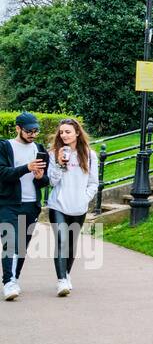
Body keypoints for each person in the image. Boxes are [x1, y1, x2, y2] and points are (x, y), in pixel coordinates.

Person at [45, 118, 98, 296]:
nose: (64, 135)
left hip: (79, 207)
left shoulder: (90, 155)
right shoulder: (54, 153)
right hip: (58, 205)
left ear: (77, 133)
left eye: (67, 131)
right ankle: (61, 281)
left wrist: (84, 199)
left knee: (71, 243)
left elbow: (93, 183)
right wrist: (60, 164)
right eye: (61, 132)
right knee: (61, 241)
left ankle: (66, 274)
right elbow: (51, 181)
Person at [1, 112, 50, 301]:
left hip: (32, 205)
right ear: (18, 129)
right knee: (9, 243)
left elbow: (45, 179)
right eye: (29, 130)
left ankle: (15, 279)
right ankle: (8, 282)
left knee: (22, 246)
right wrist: (26, 168)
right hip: (8, 203)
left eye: (36, 130)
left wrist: (40, 178)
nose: (33, 134)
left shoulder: (39, 148)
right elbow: (2, 173)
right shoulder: (5, 146)